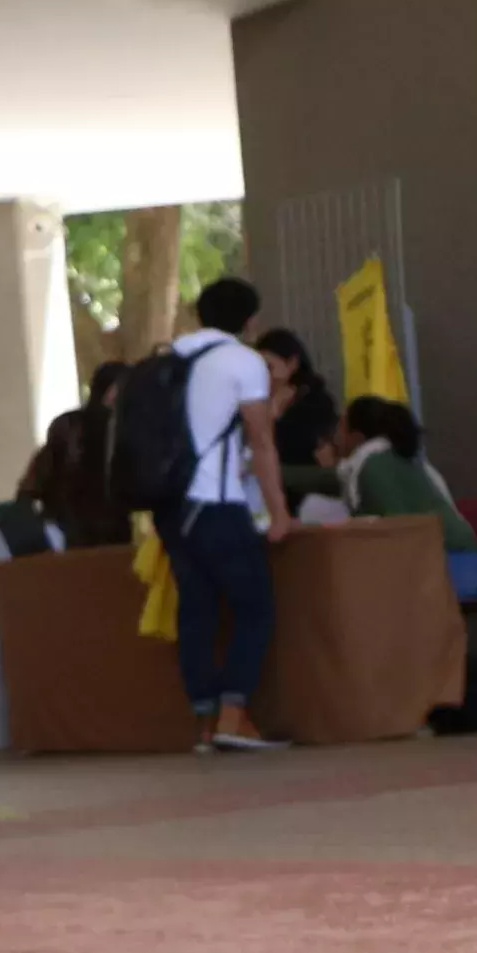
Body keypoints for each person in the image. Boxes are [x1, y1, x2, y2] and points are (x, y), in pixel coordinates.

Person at [156, 275, 290, 752]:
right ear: (250, 320)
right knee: (254, 606)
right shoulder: (242, 361)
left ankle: (205, 727)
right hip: (216, 503)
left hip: (170, 508)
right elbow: (260, 440)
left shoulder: (171, 358)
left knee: (197, 612)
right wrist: (279, 513)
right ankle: (235, 716)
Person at [342, 395, 477, 601]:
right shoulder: (405, 459)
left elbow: (400, 529)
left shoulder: (371, 466)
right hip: (470, 564)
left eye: (340, 427)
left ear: (357, 437)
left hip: (445, 568)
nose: (335, 436)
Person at [17, 358, 130, 547]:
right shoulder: (71, 428)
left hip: (115, 538)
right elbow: (34, 484)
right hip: (70, 534)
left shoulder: (129, 431)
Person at [259, 328, 346, 523]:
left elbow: (301, 446)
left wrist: (273, 418)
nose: (264, 375)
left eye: (269, 367)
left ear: (292, 364)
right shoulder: (259, 400)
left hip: (307, 494)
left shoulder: (316, 401)